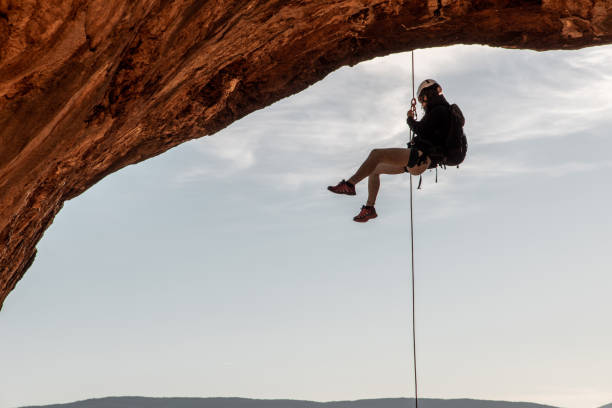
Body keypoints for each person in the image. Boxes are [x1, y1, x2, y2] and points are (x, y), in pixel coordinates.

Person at [327, 79, 452, 222]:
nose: (422, 104)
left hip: (420, 158)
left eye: (421, 99)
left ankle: (349, 185)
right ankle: (369, 209)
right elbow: (427, 132)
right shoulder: (442, 111)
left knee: (376, 154)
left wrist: (410, 119)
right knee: (373, 169)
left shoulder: (439, 110)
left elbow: (420, 130)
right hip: (419, 161)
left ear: (427, 95)